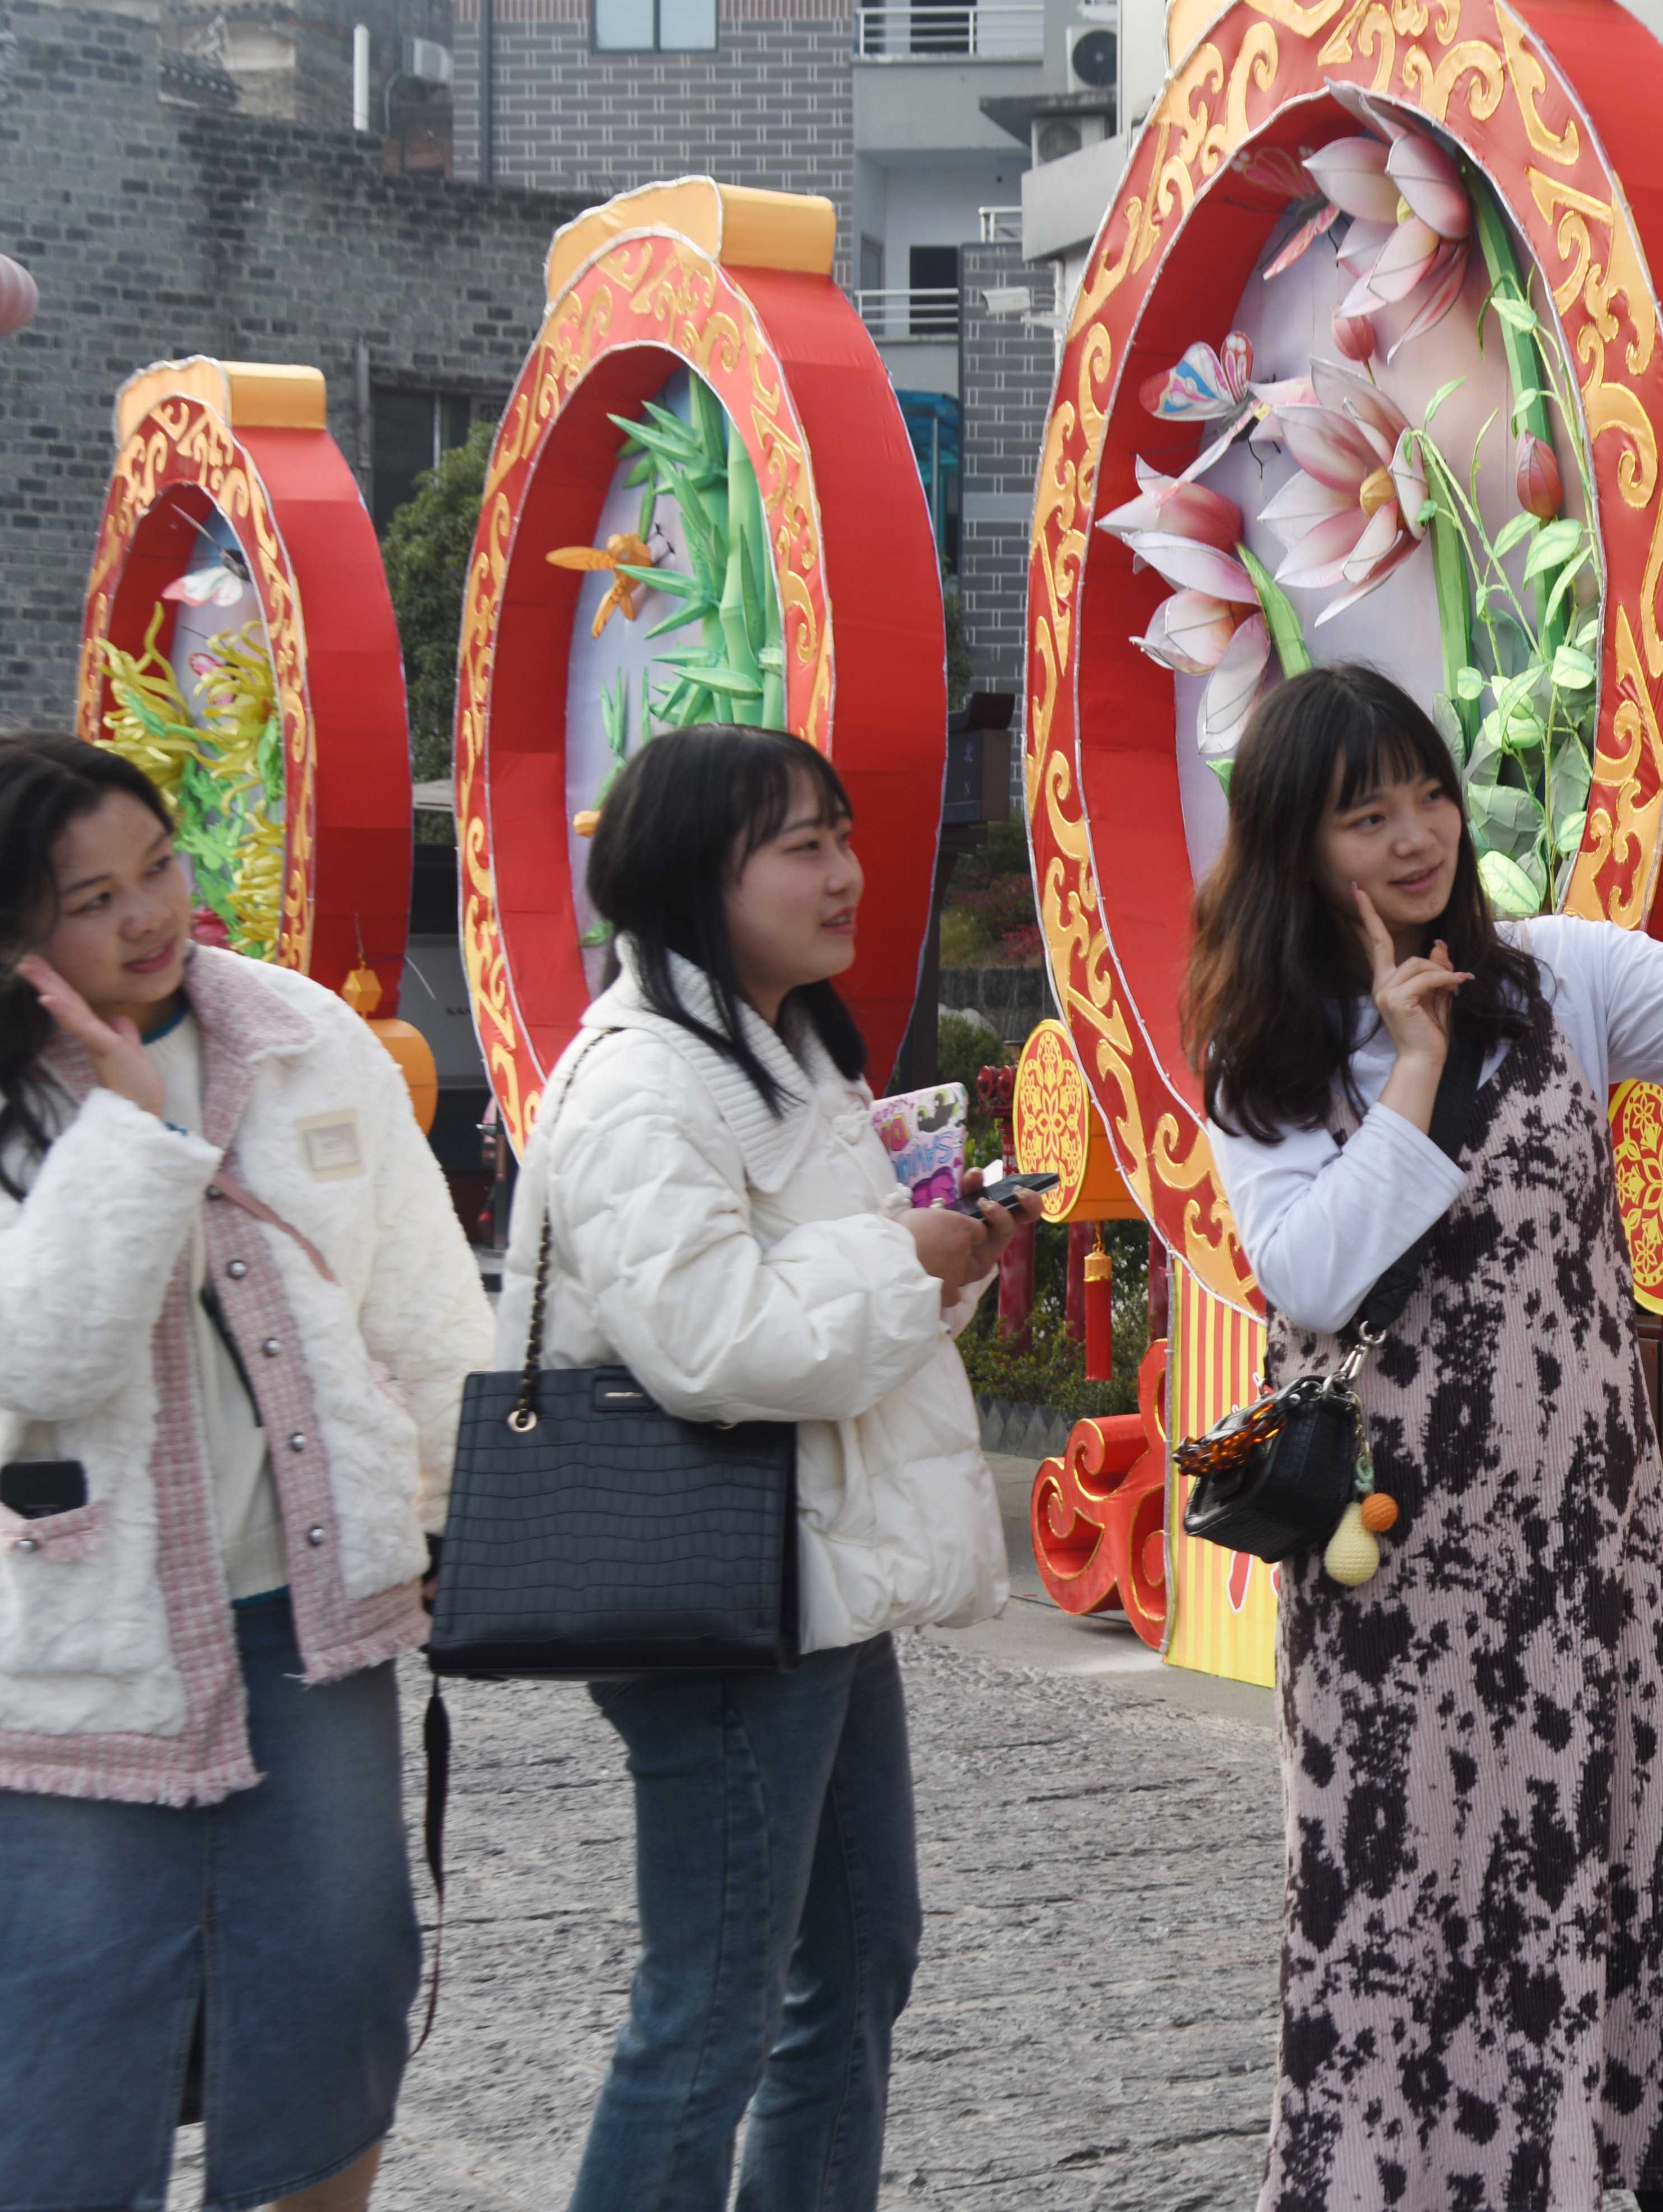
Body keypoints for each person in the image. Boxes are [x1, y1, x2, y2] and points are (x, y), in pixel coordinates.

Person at [1189, 666, 1663, 2212]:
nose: (1416, 837)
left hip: (1590, 1571)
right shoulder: (1268, 1053)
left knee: (1622, 1902)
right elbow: (1312, 1277)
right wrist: (1414, 1068)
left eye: (1429, 795)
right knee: (1406, 1926)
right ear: (1294, 846)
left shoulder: (1560, 975)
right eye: (1365, 816)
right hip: (1394, 1596)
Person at [0, 730, 491, 2212]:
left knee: (334, 2004)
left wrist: (456, 1518)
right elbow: (35, 1351)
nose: (148, 915)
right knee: (48, 2050)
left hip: (307, 1622)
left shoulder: (304, 1034)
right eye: (92, 897)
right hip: (69, 1654)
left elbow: (422, 1305)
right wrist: (126, 1125)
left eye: (159, 867)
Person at [501, 723, 1028, 2212]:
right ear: (695, 875)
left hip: (815, 1579)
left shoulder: (778, 1054)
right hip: (722, 1597)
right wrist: (904, 1257)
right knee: (712, 2007)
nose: (845, 872)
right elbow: (711, 1342)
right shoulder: (643, 1084)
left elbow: (834, 1300)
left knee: (856, 1961)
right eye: (803, 845)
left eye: (843, 835)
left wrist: (944, 1252)